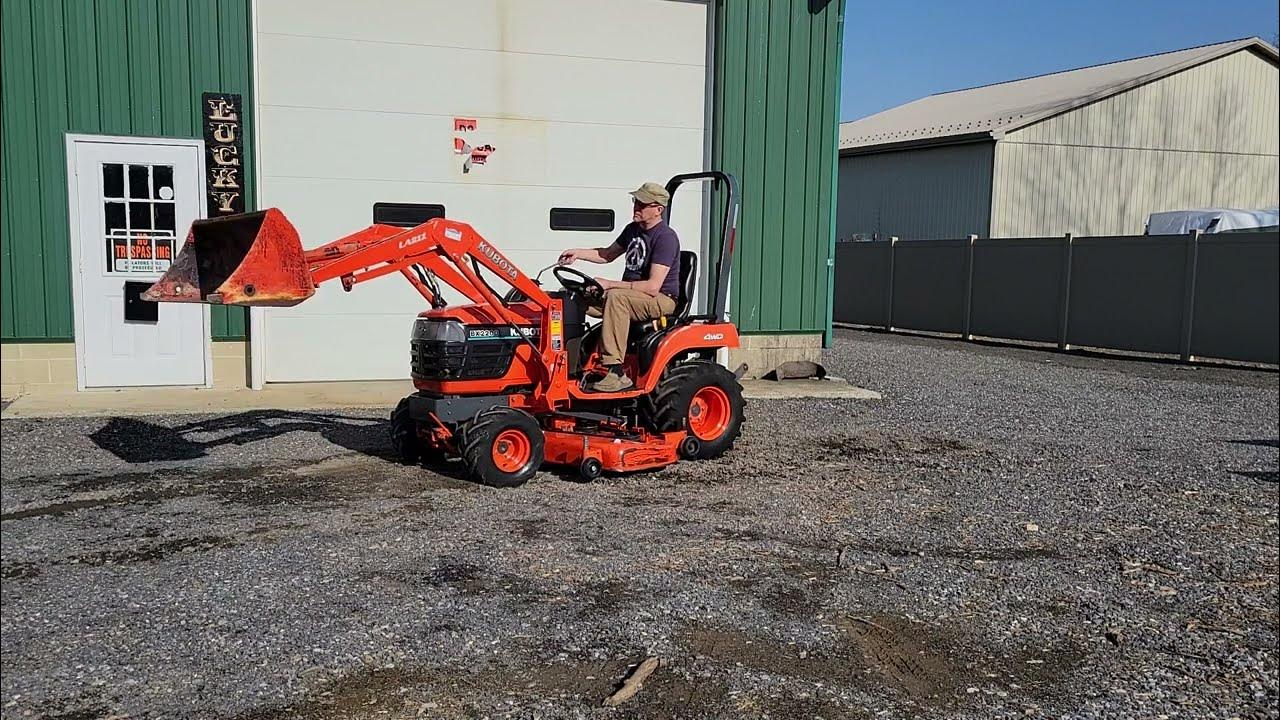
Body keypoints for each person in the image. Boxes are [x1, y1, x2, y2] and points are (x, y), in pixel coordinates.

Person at [558, 182, 682, 392]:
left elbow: (653, 286)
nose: (636, 207)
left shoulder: (665, 238)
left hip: (661, 299)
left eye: (642, 204)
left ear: (658, 209)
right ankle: (569, 363)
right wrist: (578, 253)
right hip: (632, 295)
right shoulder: (632, 230)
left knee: (616, 298)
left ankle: (616, 372)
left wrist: (610, 285)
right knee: (570, 296)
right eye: (635, 201)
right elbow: (606, 254)